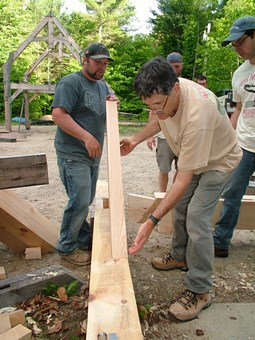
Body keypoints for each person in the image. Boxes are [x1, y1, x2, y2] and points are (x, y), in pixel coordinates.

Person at [120, 57, 242, 321]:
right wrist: (135, 139)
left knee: (197, 216)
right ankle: (180, 257)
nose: (154, 111)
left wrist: (151, 221)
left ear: (175, 89)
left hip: (219, 160)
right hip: (197, 154)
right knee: (181, 205)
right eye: (148, 105)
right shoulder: (168, 91)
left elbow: (183, 179)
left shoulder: (198, 115)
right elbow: (161, 120)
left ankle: (200, 290)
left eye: (157, 105)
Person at [51, 42, 118, 266]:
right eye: (98, 62)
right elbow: (59, 115)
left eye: (105, 63)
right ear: (85, 60)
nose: (102, 67)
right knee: (79, 201)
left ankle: (81, 238)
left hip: (92, 156)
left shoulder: (102, 86)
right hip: (73, 154)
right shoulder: (71, 83)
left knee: (86, 199)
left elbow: (107, 105)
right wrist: (86, 137)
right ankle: (67, 247)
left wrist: (113, 104)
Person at [213, 16, 255, 258]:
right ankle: (220, 242)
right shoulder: (239, 74)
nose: (237, 49)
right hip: (245, 145)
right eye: (233, 45)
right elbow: (238, 108)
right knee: (231, 195)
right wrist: (229, 138)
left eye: (240, 42)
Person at [147, 52, 183, 191]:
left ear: (181, 66)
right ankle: (162, 195)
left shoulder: (184, 86)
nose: (174, 69)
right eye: (171, 66)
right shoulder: (159, 85)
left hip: (181, 136)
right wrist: (150, 135)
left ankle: (174, 194)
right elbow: (153, 111)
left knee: (181, 168)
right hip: (163, 136)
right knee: (164, 168)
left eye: (177, 66)